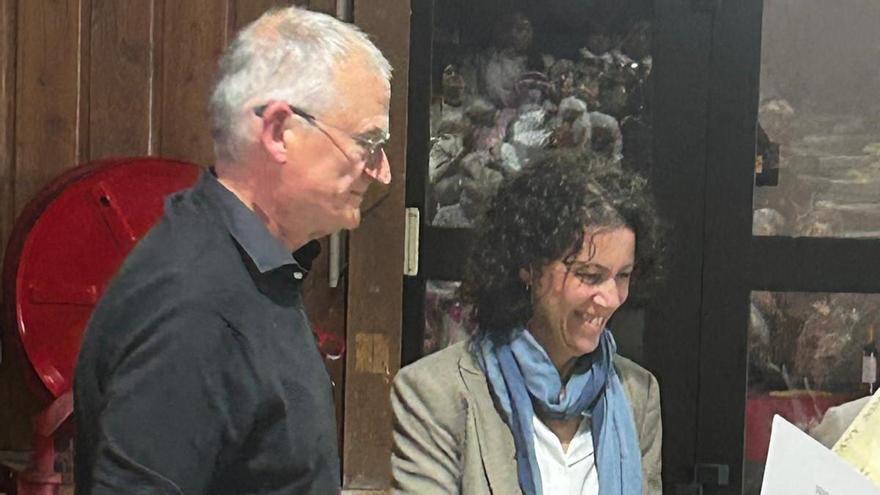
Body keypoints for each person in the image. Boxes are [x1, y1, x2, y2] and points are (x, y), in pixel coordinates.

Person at [74, 6, 391, 494]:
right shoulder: (193, 304)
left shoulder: (248, 267)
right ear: (280, 131)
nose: (381, 171)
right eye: (367, 142)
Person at [391, 151, 663, 495]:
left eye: (623, 275)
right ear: (529, 268)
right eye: (589, 275)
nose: (611, 298)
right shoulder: (435, 393)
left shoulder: (637, 393)